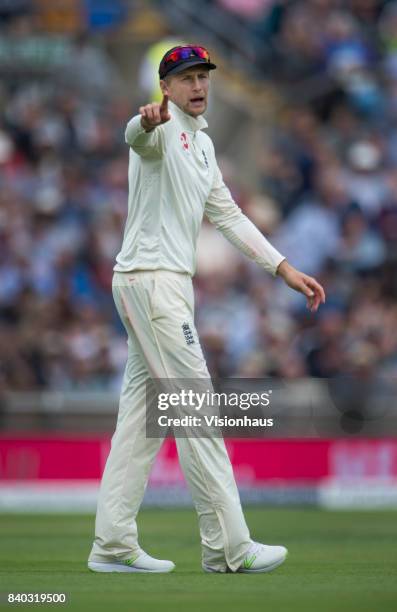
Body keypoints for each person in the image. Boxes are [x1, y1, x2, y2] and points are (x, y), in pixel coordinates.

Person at [87, 45, 325, 575]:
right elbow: (137, 136)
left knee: (142, 424)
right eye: (185, 78)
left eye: (203, 77)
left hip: (162, 288)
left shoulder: (203, 145)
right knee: (198, 414)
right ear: (165, 88)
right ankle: (228, 547)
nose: (197, 85)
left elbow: (230, 215)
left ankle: (112, 542)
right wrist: (144, 120)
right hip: (152, 286)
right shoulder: (160, 129)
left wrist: (282, 267)